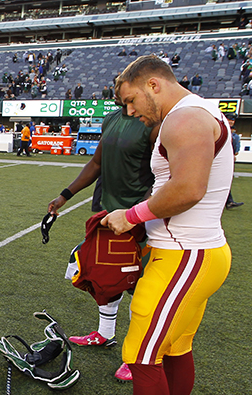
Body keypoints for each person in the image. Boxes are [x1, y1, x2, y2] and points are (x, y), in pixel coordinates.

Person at [105, 55, 232, 395]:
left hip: (184, 254)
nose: (130, 112)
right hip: (196, 251)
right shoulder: (196, 112)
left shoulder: (185, 118)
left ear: (153, 85)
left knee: (141, 356)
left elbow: (189, 189)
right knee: (175, 347)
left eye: (130, 100)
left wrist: (131, 215)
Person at [47, 106, 158, 382]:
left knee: (140, 286)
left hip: (139, 218)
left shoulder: (154, 123)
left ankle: (139, 356)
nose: (124, 100)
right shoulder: (112, 118)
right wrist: (65, 195)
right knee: (105, 277)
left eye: (129, 93)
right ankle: (105, 334)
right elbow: (96, 163)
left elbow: (161, 174)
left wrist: (140, 213)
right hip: (107, 214)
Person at [224, 113, 243, 209]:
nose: (231, 121)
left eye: (232, 120)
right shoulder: (222, 131)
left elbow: (235, 148)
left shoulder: (234, 136)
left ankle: (229, 201)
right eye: (229, 119)